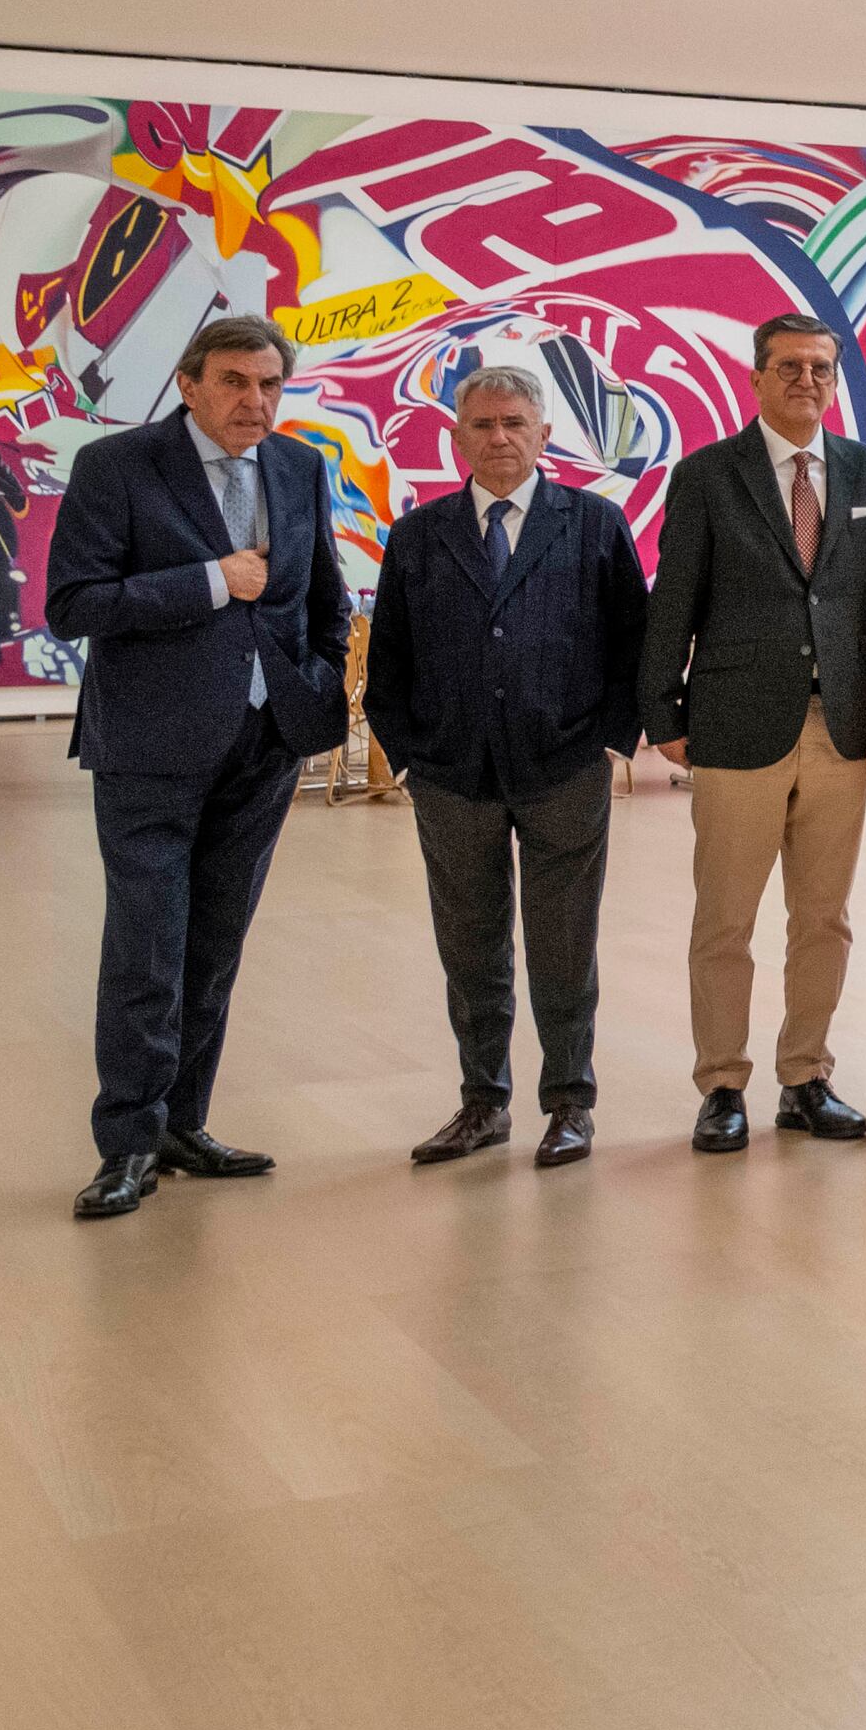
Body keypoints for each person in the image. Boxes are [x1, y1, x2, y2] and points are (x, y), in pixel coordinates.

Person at [51, 313, 353, 1220]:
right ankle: (128, 1142)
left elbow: (324, 595)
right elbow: (74, 602)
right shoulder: (118, 467)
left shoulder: (300, 466)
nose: (252, 401)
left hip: (263, 746)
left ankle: (185, 1122)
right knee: (148, 947)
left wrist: (318, 677)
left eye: (267, 384)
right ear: (188, 383)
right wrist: (215, 579)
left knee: (214, 947)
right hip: (148, 749)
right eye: (232, 381)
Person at [363, 362, 649, 1171]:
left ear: (544, 434)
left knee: (563, 943)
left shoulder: (592, 523)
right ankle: (482, 1101)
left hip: (563, 767)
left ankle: (569, 1102)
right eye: (483, 425)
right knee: (470, 944)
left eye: (514, 423)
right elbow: (388, 662)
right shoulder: (420, 535)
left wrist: (608, 740)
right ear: (456, 438)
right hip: (453, 775)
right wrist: (413, 757)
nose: (499, 438)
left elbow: (635, 639)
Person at [639, 309, 866, 1151]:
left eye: (821, 367)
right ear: (756, 377)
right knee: (726, 918)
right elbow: (671, 599)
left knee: (824, 917)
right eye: (788, 366)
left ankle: (805, 1075)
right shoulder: (710, 473)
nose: (806, 381)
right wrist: (663, 713)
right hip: (736, 723)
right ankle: (721, 1084)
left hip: (841, 728)